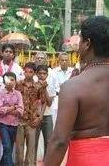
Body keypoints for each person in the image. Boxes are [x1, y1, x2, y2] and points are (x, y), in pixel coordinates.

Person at [45, 16, 109, 165]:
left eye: (80, 41)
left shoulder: (74, 86)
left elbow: (59, 141)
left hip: (86, 159)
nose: (78, 46)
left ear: (87, 44)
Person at [15, 62, 47, 166]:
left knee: (31, 149)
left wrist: (40, 117)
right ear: (23, 72)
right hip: (19, 120)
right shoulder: (18, 84)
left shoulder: (38, 86)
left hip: (32, 121)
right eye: (26, 71)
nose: (28, 74)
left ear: (34, 73)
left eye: (31, 72)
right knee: (19, 150)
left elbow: (44, 102)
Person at [0, 72, 23, 166]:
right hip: (3, 124)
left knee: (9, 148)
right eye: (7, 80)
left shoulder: (18, 94)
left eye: (12, 80)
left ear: (15, 82)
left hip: (14, 124)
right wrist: (13, 107)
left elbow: (21, 110)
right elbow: (0, 110)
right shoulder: (1, 93)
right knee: (7, 147)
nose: (9, 82)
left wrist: (8, 109)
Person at [35, 64, 55, 161]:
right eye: (40, 73)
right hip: (35, 116)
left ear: (47, 75)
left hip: (47, 116)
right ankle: (32, 161)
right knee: (33, 141)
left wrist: (45, 88)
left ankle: (46, 161)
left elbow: (50, 103)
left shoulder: (50, 85)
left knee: (48, 140)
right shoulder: (33, 85)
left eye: (44, 73)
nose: (42, 75)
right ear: (36, 74)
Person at [51, 53, 73, 125]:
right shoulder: (54, 71)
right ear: (59, 61)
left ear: (69, 61)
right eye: (62, 60)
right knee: (56, 122)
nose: (64, 62)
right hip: (57, 99)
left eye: (66, 60)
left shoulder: (73, 71)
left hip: (70, 99)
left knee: (68, 122)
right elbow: (52, 87)